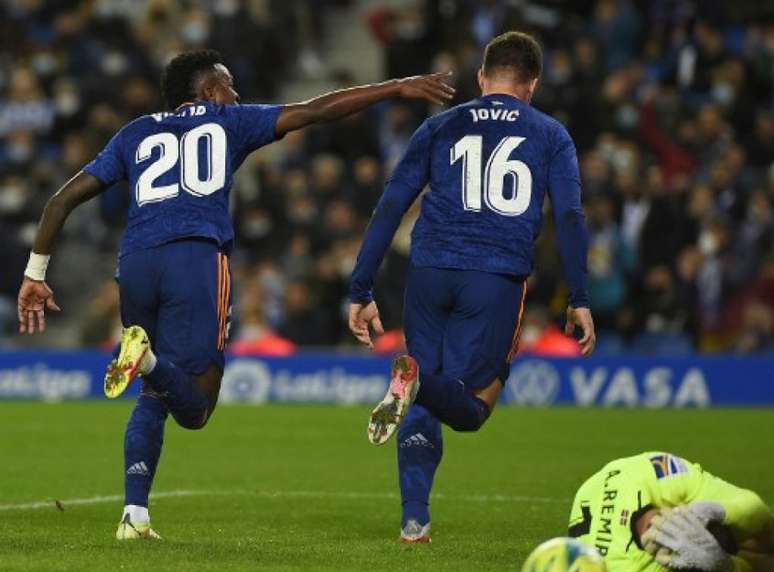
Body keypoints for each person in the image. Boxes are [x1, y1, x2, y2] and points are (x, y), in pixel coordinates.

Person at [16, 49, 454, 540]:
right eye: (228, 84)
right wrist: (395, 86)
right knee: (197, 407)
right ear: (207, 92)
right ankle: (149, 362)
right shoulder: (228, 121)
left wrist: (36, 273)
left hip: (135, 261)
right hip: (195, 260)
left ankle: (134, 516)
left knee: (154, 399)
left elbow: (61, 201)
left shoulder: (133, 133)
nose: (236, 93)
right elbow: (316, 110)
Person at [348, 31, 595, 543]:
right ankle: (415, 382)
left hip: (430, 270)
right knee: (471, 408)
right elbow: (569, 215)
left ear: (483, 79)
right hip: (495, 276)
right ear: (533, 83)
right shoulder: (551, 134)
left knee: (428, 399)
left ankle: (414, 519)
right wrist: (579, 297)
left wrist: (361, 287)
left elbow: (391, 204)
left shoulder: (440, 126)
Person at [568, 452, 774, 572]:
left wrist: (718, 510)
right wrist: (725, 568)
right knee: (751, 566)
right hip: (599, 495)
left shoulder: (659, 474)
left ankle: (748, 542)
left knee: (760, 527)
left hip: (621, 479)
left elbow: (755, 508)